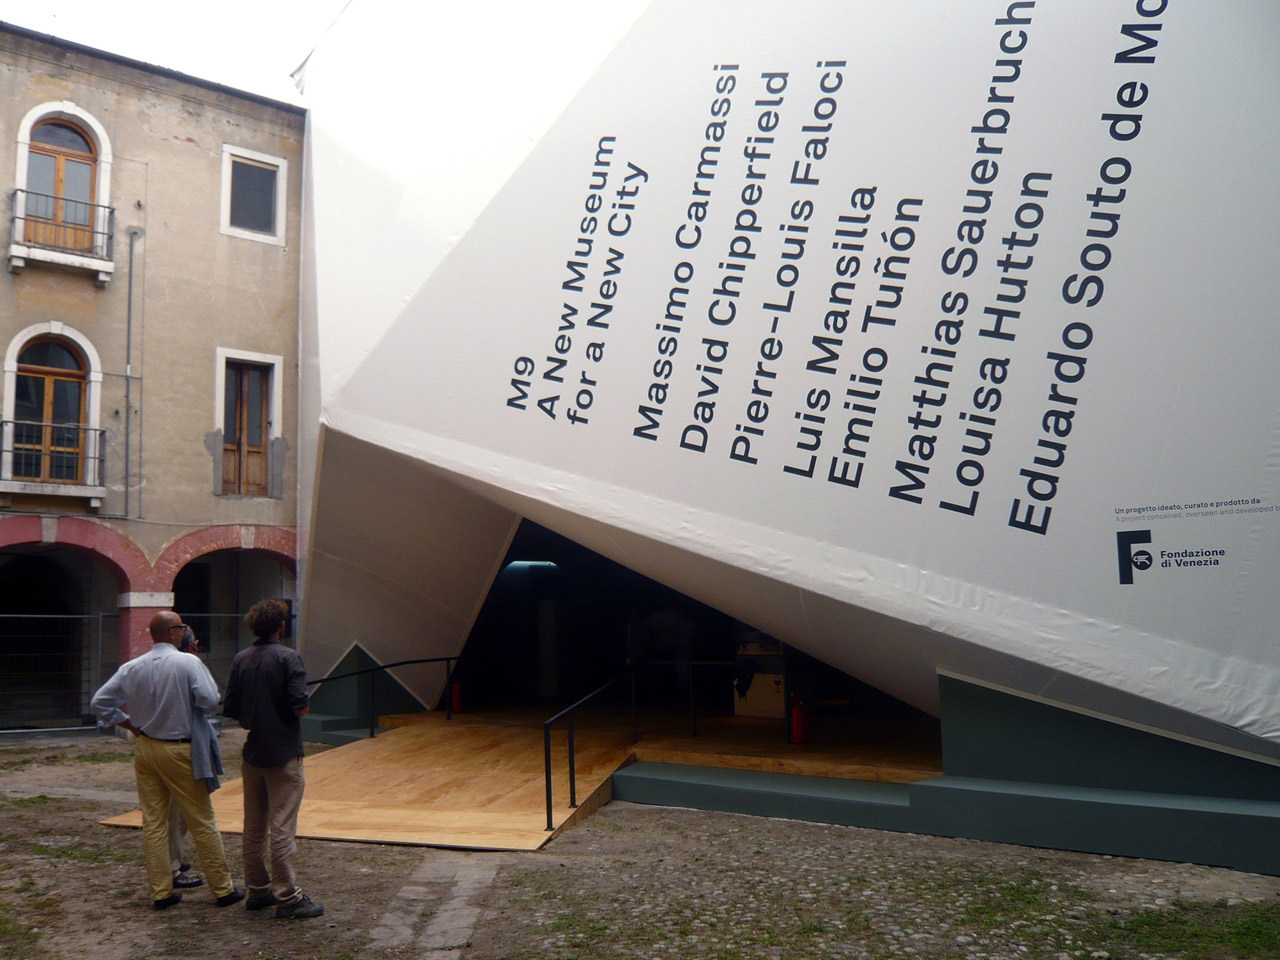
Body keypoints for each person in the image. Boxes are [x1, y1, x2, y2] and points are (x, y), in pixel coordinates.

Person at [91, 611, 245, 911]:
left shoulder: (131, 667)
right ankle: (223, 889)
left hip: (146, 747)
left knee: (154, 822)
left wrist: (128, 724)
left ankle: (161, 892)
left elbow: (99, 702)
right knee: (201, 819)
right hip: (179, 749)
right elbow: (210, 699)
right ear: (175, 632)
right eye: (182, 627)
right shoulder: (188, 662)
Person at [223, 598, 324, 920]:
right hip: (283, 753)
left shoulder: (241, 658)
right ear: (281, 625)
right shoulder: (288, 657)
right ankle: (288, 897)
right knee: (281, 827)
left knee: (253, 826)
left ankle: (257, 890)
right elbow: (300, 706)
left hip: (252, 753)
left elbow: (232, 708)